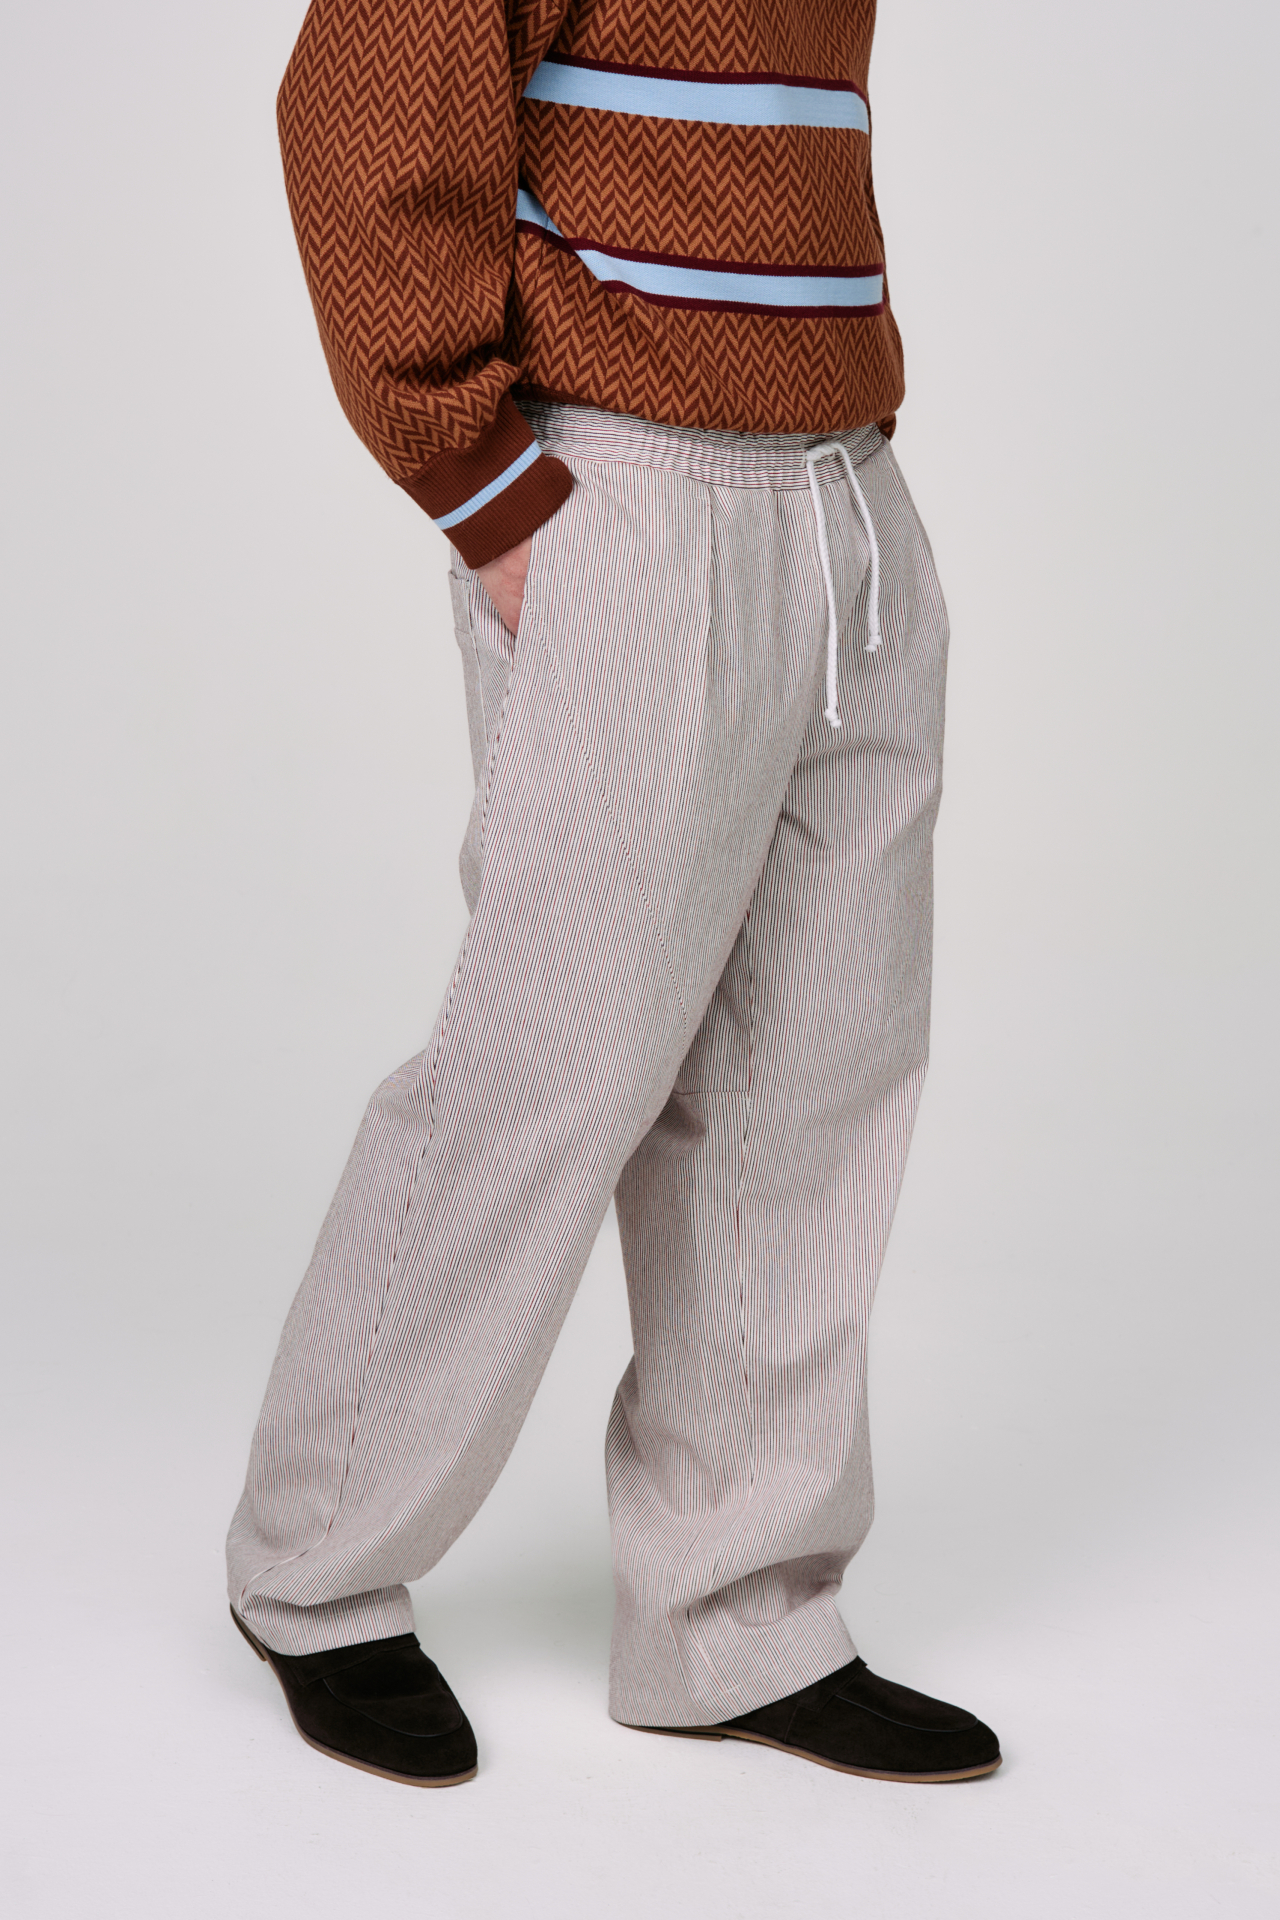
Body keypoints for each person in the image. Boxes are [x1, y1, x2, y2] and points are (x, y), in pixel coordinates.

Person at [226, 0, 1002, 1789]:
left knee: (816, 1077)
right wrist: (489, 492)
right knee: (554, 1067)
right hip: (633, 490)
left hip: (846, 501)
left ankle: (736, 1612)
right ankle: (315, 1567)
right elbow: (363, 103)